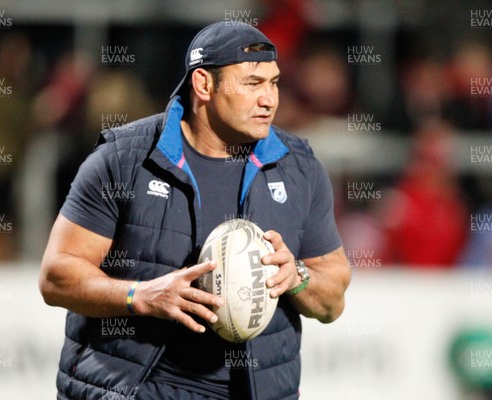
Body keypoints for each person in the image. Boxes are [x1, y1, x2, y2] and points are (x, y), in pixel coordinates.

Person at [39, 21, 350, 400]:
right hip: (135, 391)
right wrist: (141, 296)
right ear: (203, 84)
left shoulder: (299, 168)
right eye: (253, 84)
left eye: (274, 82)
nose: (270, 99)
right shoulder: (122, 160)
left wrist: (298, 276)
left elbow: (333, 301)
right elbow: (56, 278)